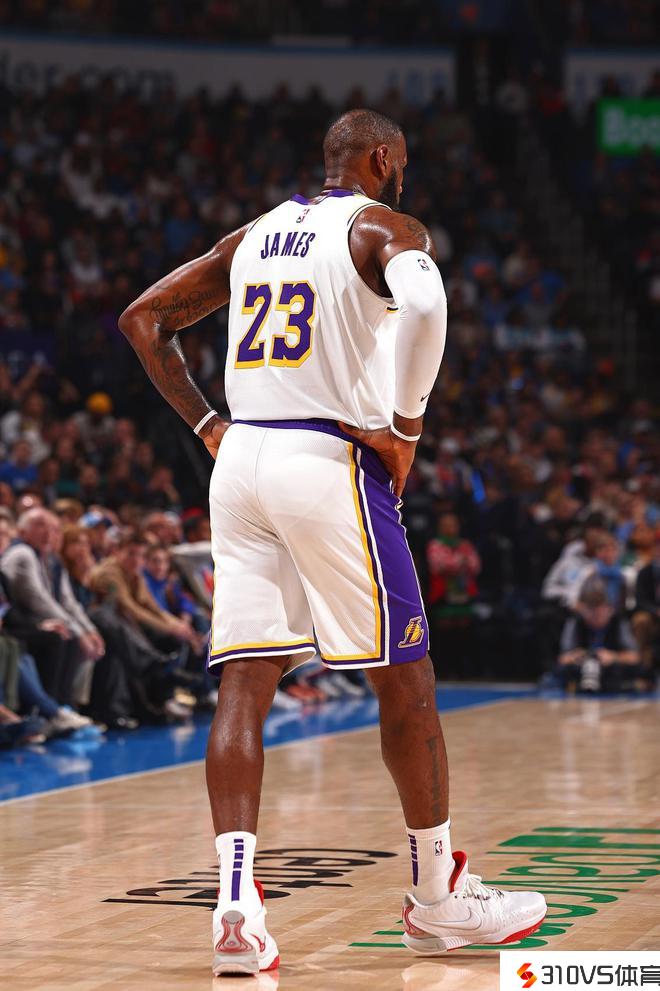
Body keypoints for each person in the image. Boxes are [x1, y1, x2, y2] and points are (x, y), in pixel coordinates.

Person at [119, 108, 546, 976]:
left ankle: (238, 906)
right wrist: (407, 428)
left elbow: (142, 319)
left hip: (240, 460)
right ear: (383, 159)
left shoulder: (252, 235)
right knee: (406, 676)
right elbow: (427, 301)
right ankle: (436, 899)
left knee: (245, 682)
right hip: (327, 456)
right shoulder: (384, 226)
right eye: (402, 164)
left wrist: (205, 424)